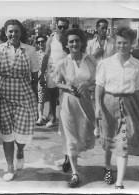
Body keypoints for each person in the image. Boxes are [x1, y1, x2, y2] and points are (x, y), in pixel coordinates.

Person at [95, 26, 139, 189]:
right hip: (108, 103)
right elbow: (99, 86)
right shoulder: (105, 64)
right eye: (119, 43)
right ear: (115, 43)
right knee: (109, 141)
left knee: (123, 143)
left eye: (125, 43)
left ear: (132, 43)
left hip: (128, 104)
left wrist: (138, 113)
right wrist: (98, 106)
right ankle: (107, 167)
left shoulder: (138, 66)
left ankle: (119, 183)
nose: (122, 46)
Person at [0, 19, 39, 181]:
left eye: (16, 31)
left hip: (24, 94)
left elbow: (34, 77)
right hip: (2, 94)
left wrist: (35, 100)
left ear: (21, 33)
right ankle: (9, 167)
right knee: (6, 134)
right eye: (10, 31)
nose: (13, 34)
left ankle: (20, 150)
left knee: (22, 133)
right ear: (5, 32)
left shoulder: (30, 50)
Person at [55, 28, 96, 188]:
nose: (74, 44)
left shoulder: (90, 60)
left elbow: (98, 79)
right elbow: (56, 82)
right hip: (68, 104)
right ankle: (75, 174)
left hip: (85, 104)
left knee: (82, 136)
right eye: (71, 41)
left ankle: (68, 156)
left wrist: (87, 84)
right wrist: (67, 86)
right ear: (66, 44)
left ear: (82, 42)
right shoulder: (62, 63)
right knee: (71, 138)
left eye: (77, 41)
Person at [86, 18, 116, 138]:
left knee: (107, 102)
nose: (104, 31)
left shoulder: (112, 42)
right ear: (97, 28)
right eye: (102, 28)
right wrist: (94, 55)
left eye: (106, 28)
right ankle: (97, 127)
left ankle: (106, 126)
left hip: (108, 77)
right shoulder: (90, 44)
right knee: (95, 102)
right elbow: (86, 61)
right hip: (95, 77)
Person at [39, 17, 69, 128]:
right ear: (56, 26)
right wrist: (42, 74)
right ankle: (53, 118)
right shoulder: (51, 39)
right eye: (60, 26)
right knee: (52, 95)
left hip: (67, 71)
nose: (62, 29)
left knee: (65, 96)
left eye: (64, 27)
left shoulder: (70, 39)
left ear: (67, 27)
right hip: (53, 71)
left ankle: (65, 119)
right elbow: (46, 57)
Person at [35, 35, 48, 126]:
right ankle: (40, 117)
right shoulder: (36, 54)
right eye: (38, 42)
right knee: (41, 98)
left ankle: (50, 116)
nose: (41, 43)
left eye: (42, 41)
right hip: (41, 78)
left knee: (52, 97)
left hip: (52, 77)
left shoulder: (50, 53)